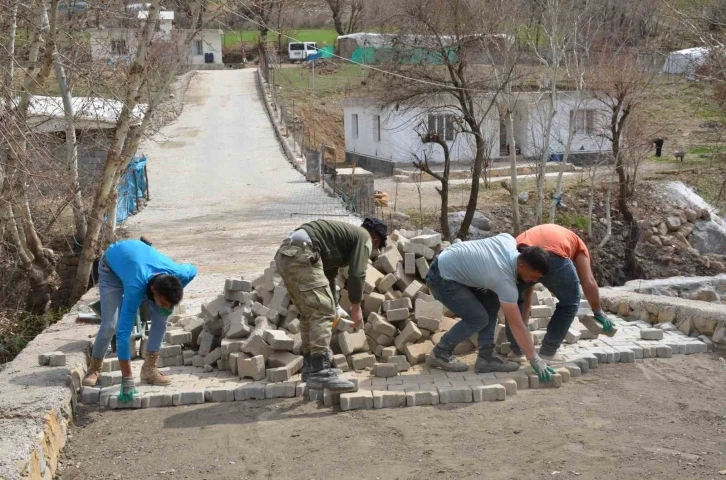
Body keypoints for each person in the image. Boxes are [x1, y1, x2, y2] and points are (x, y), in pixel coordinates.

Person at [424, 233, 557, 383]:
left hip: (455, 264)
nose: (534, 281)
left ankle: (486, 357)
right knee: (478, 318)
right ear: (521, 266)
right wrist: (534, 359)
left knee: (492, 298)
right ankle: (440, 353)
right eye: (533, 276)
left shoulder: (508, 240)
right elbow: (516, 325)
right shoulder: (503, 281)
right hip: (441, 277)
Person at [275, 218, 387, 392]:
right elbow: (357, 274)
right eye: (375, 249)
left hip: (287, 254)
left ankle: (310, 367)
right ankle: (321, 371)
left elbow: (329, 276)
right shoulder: (364, 237)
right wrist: (356, 307)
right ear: (376, 241)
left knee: (310, 312)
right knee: (322, 311)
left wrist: (335, 306)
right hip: (304, 254)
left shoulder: (340, 239)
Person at [82, 240, 197, 403]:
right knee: (110, 325)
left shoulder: (179, 273)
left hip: (139, 264)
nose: (166, 305)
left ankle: (149, 369)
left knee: (162, 317)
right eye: (163, 301)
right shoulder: (135, 288)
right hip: (111, 269)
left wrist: (170, 302)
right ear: (153, 290)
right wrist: (127, 379)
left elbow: (194, 270)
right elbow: (123, 333)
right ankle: (94, 367)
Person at [506, 224, 614, 364]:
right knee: (570, 302)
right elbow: (588, 281)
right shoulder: (580, 246)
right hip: (554, 256)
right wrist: (598, 311)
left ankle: (517, 351)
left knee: (513, 300)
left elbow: (527, 288)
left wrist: (524, 324)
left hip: (519, 253)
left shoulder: (542, 235)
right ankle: (548, 353)